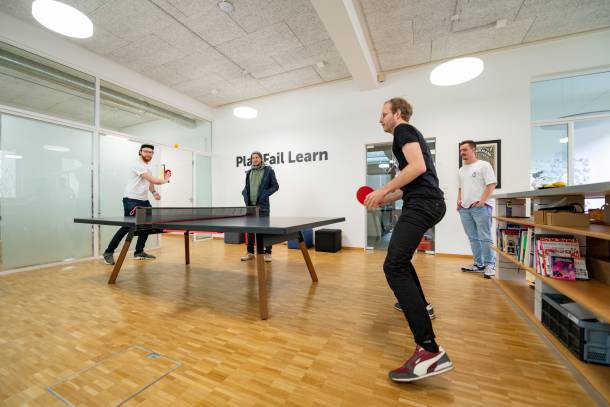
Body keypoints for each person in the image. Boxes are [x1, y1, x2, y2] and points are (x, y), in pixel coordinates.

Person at [364, 97, 453, 382]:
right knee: (400, 261)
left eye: (383, 114)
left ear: (398, 114)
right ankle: (421, 306)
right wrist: (386, 196)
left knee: (393, 266)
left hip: (425, 204)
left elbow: (417, 168)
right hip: (424, 201)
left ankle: (429, 351)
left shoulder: (403, 130)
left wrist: (383, 189)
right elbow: (412, 181)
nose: (380, 119)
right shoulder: (407, 136)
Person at [102, 144, 171, 265]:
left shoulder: (147, 167)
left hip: (144, 200)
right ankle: (108, 252)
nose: (149, 154)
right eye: (146, 152)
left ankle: (139, 252)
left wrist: (154, 192)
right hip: (131, 199)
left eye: (151, 152)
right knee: (128, 227)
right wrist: (165, 179)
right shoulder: (137, 164)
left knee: (146, 225)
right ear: (140, 152)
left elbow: (150, 182)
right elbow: (154, 180)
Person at [457, 140, 497, 278]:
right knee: (473, 238)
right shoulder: (461, 170)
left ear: (473, 150)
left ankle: (490, 264)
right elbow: (460, 188)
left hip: (481, 208)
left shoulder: (484, 165)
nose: (462, 152)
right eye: (461, 150)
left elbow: (491, 184)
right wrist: (458, 201)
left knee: (485, 237)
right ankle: (478, 264)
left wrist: (482, 201)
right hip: (464, 208)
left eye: (465, 150)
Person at [241, 151, 279, 262]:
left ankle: (268, 253)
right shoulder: (249, 172)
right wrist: (244, 193)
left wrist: (264, 195)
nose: (255, 159)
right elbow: (246, 188)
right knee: (250, 231)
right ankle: (250, 253)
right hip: (250, 207)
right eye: (253, 158)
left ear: (261, 159)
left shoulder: (268, 171)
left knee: (266, 230)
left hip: (263, 206)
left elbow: (275, 186)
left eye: (257, 157)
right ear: (251, 160)